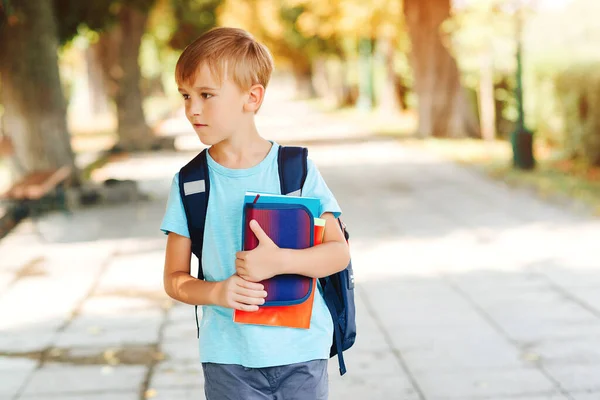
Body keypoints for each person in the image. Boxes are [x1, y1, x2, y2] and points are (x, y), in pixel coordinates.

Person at [160, 27, 350, 400]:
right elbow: (174, 279)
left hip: (302, 351)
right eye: (185, 95)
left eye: (206, 95)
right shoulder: (190, 184)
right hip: (228, 360)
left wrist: (279, 261)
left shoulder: (295, 170)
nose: (192, 109)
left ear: (252, 97)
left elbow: (338, 252)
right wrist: (218, 291)